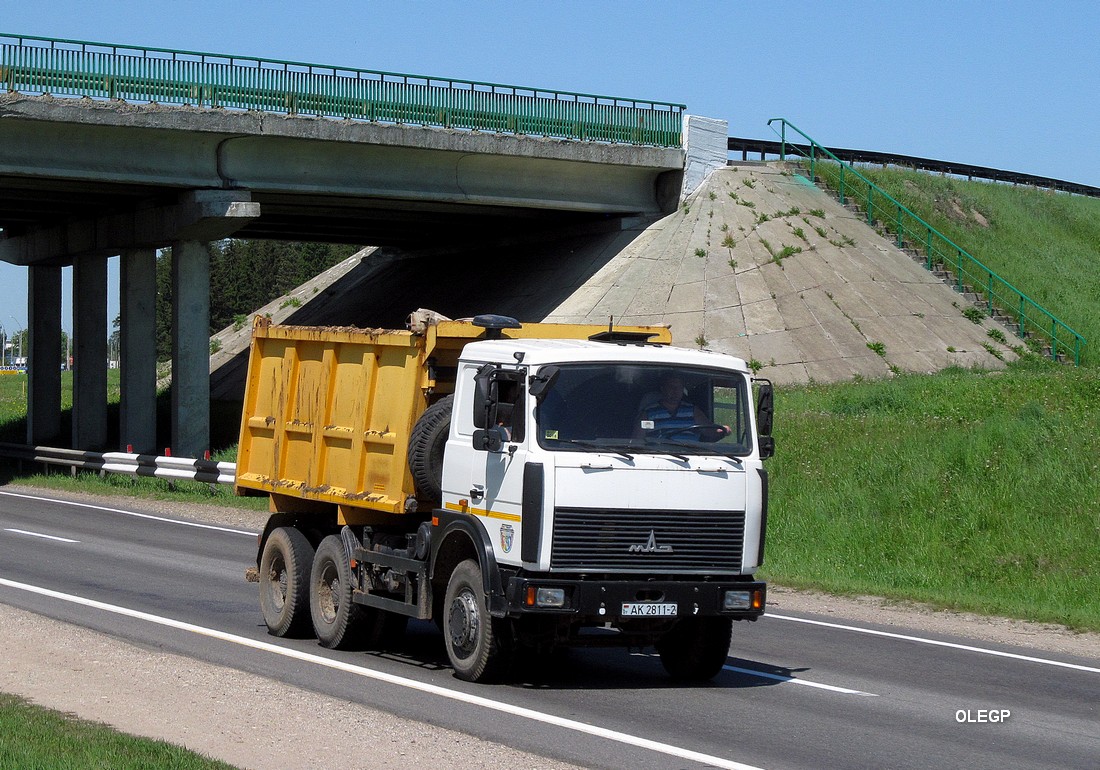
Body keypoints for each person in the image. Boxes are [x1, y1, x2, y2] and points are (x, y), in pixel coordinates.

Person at [635, 373, 730, 441]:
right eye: (671, 387)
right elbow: (637, 440)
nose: (675, 391)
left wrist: (722, 430)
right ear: (663, 389)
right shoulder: (649, 412)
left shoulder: (692, 410)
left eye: (679, 387)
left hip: (691, 457)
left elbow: (708, 431)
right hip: (658, 457)